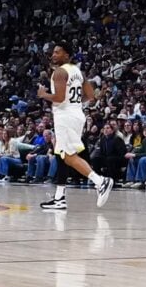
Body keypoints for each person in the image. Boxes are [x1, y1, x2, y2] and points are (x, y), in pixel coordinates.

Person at [37, 42, 114, 210]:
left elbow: (58, 98)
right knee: (61, 154)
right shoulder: (77, 71)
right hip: (76, 114)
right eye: (53, 52)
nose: (53, 55)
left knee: (68, 156)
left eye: (58, 52)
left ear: (67, 55)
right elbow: (91, 95)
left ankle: (100, 181)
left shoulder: (59, 72)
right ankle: (59, 198)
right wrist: (74, 103)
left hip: (65, 116)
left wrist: (43, 95)